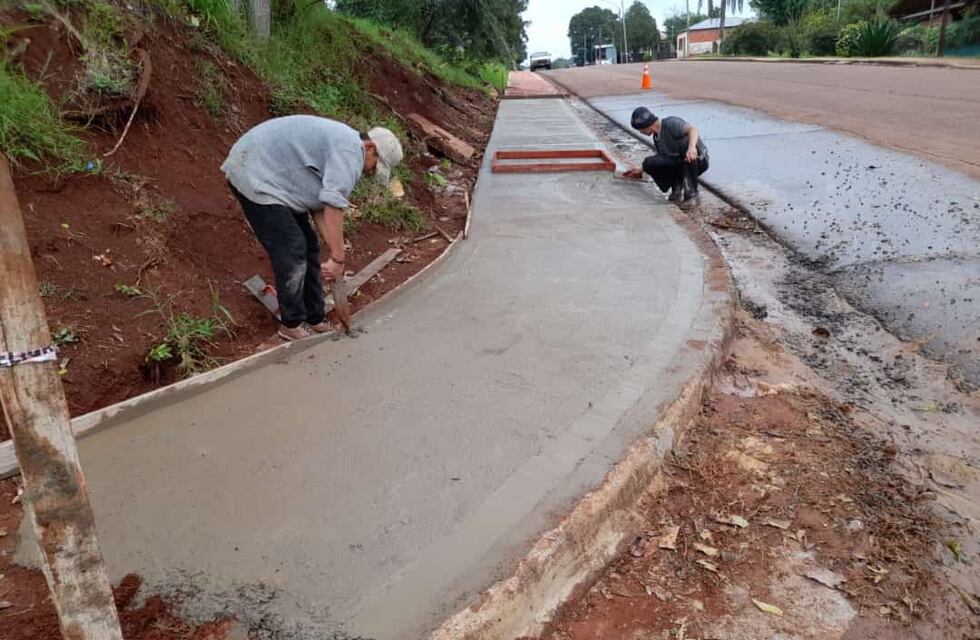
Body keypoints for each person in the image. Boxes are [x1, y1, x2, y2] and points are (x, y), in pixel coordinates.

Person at [222, 115, 403, 341]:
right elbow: (333, 206)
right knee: (292, 249)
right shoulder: (350, 153)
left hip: (278, 181)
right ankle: (291, 324)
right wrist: (338, 257)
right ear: (369, 147)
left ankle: (315, 317)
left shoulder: (344, 146)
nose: (370, 172)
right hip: (255, 173)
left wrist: (335, 254)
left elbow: (319, 208)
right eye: (375, 165)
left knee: (309, 245)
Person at [623, 107, 708, 208]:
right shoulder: (657, 137)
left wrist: (692, 147)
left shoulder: (671, 123)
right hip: (682, 163)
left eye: (640, 130)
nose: (641, 133)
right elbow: (664, 159)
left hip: (698, 160)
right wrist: (642, 169)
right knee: (649, 162)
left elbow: (693, 129)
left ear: (646, 126)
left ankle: (692, 195)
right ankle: (676, 188)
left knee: (685, 144)